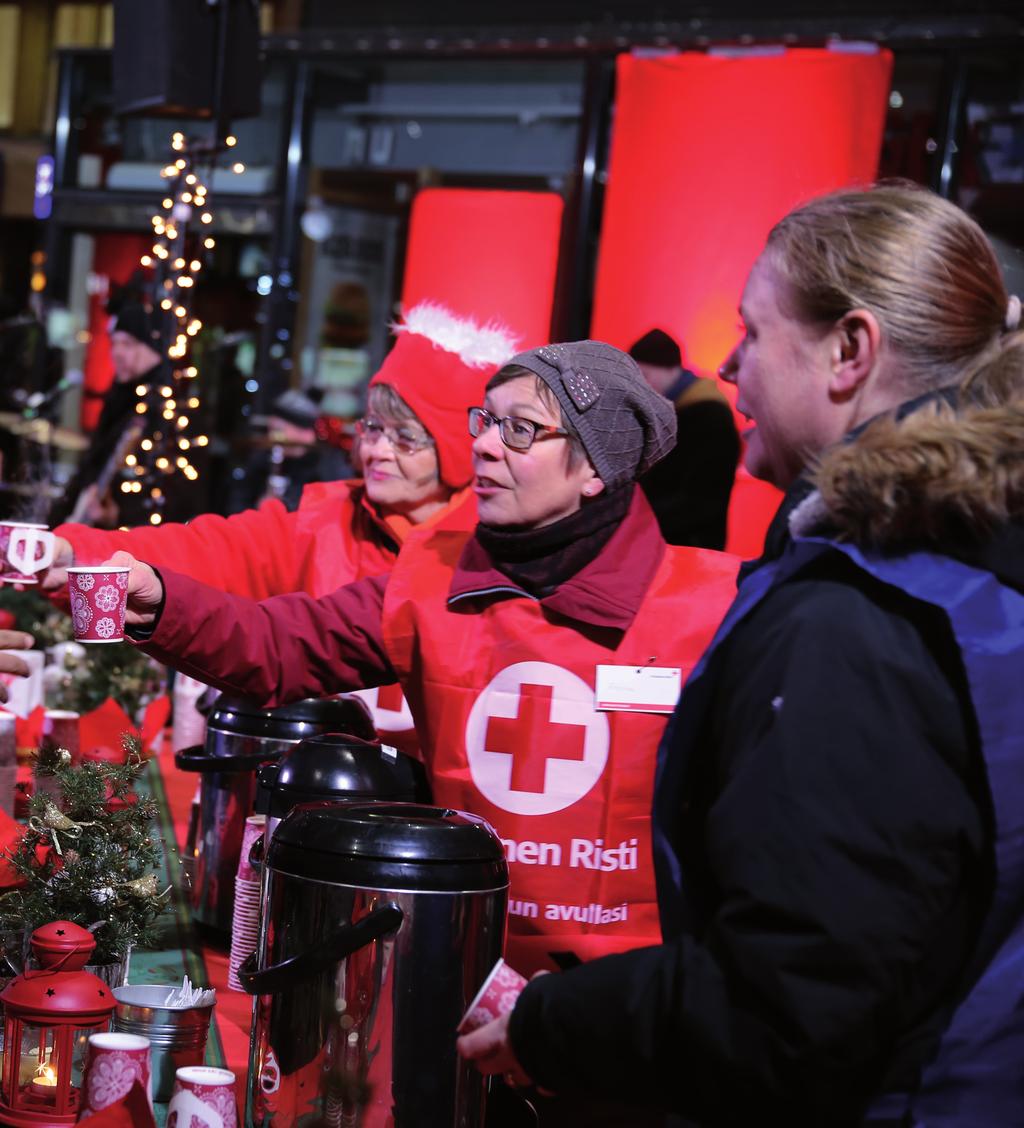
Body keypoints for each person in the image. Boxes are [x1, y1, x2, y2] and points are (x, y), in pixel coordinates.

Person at [45, 339, 740, 1124]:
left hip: (631, 1032)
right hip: (447, 991)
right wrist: (157, 600)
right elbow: (281, 643)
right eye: (485, 419)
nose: (480, 441)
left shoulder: (717, 610)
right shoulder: (431, 580)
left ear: (594, 470)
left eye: (520, 429)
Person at [454, 185, 1024, 1126]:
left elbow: (792, 1000)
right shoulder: (968, 564)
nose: (726, 365)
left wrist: (553, 1023)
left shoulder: (859, 621)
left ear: (852, 349)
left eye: (753, 334)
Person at [40, 302, 517, 751]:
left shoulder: (493, 559)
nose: (376, 451)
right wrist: (73, 552)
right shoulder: (327, 523)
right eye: (372, 428)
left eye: (406, 437)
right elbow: (209, 551)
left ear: (457, 447)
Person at [49, 302, 166, 528]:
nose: (117, 352)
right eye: (115, 343)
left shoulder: (162, 410)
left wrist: (115, 518)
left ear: (155, 350)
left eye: (128, 344)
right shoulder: (119, 399)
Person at [629, 328, 739, 549]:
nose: (642, 387)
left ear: (665, 370)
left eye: (644, 376)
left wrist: (636, 521)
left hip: (691, 546)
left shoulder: (709, 416)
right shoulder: (676, 411)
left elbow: (702, 501)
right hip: (670, 540)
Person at [224, 386, 352, 514]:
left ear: (307, 434)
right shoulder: (262, 461)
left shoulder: (327, 468)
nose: (273, 437)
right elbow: (237, 503)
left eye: (279, 430)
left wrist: (283, 506)